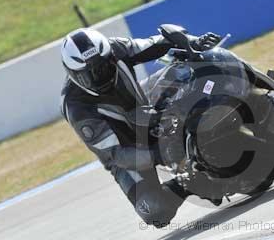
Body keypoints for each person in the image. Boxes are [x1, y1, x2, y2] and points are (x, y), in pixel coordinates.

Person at [59, 27, 221, 227]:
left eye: (103, 67)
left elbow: (156, 43)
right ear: (72, 73)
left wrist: (192, 41)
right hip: (127, 153)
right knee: (154, 211)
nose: (98, 78)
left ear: (110, 56)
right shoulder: (76, 107)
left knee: (185, 69)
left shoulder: (116, 48)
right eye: (89, 75)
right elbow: (118, 155)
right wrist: (159, 154)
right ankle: (189, 183)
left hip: (144, 112)